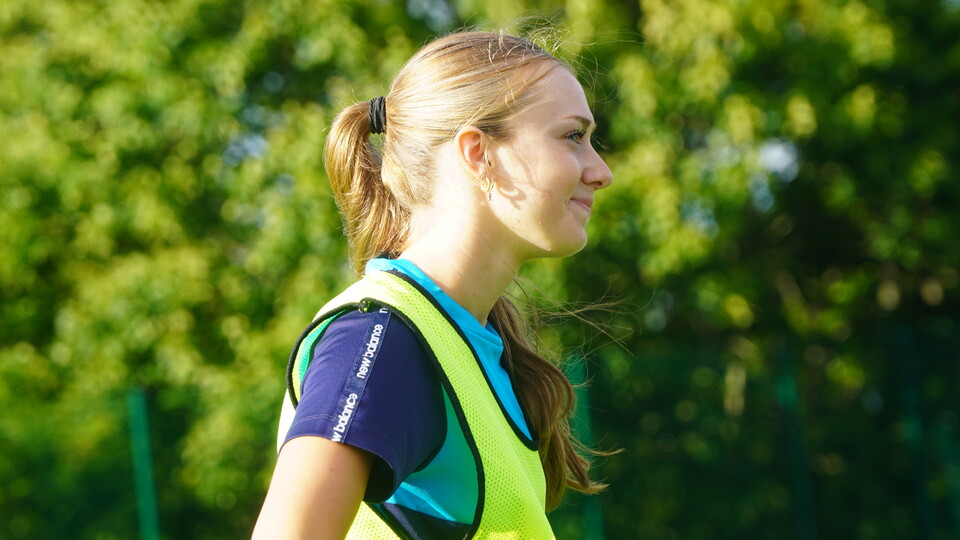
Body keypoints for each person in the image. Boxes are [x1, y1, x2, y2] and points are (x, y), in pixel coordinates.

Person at [252, 29, 613, 539]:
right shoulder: (382, 338)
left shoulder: (472, 344)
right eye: (573, 136)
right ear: (479, 153)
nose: (601, 171)